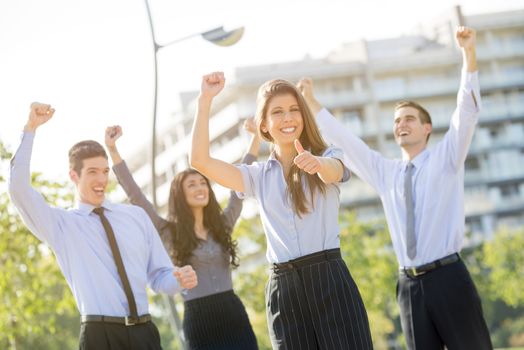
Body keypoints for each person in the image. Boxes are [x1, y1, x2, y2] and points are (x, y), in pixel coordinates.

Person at [298, 26, 492, 350]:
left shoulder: (446, 157)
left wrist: (468, 55)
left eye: (409, 119)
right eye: (397, 120)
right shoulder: (385, 173)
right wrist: (311, 103)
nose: (401, 124)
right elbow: (348, 143)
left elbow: (467, 112)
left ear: (427, 128)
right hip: (409, 286)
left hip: (449, 278)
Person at [190, 72, 373, 349]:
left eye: (294, 110)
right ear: (264, 124)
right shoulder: (257, 176)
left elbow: (335, 172)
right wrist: (205, 101)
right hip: (284, 289)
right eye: (277, 112)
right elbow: (200, 161)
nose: (288, 118)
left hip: (329, 279)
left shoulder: (328, 155)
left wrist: (317, 165)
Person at [8, 102, 198, 350]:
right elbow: (19, 190)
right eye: (92, 172)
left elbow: (160, 277)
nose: (101, 180)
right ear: (74, 176)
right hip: (100, 337)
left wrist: (179, 278)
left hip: (145, 333)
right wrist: (30, 129)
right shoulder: (61, 226)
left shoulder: (135, 217)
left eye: (105, 171)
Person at [105, 118, 260, 350]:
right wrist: (113, 150)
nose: (200, 188)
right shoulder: (169, 232)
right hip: (199, 322)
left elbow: (239, 186)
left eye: (203, 183)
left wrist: (256, 138)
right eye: (192, 185)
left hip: (233, 315)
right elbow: (135, 196)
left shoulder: (222, 226)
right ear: (180, 195)